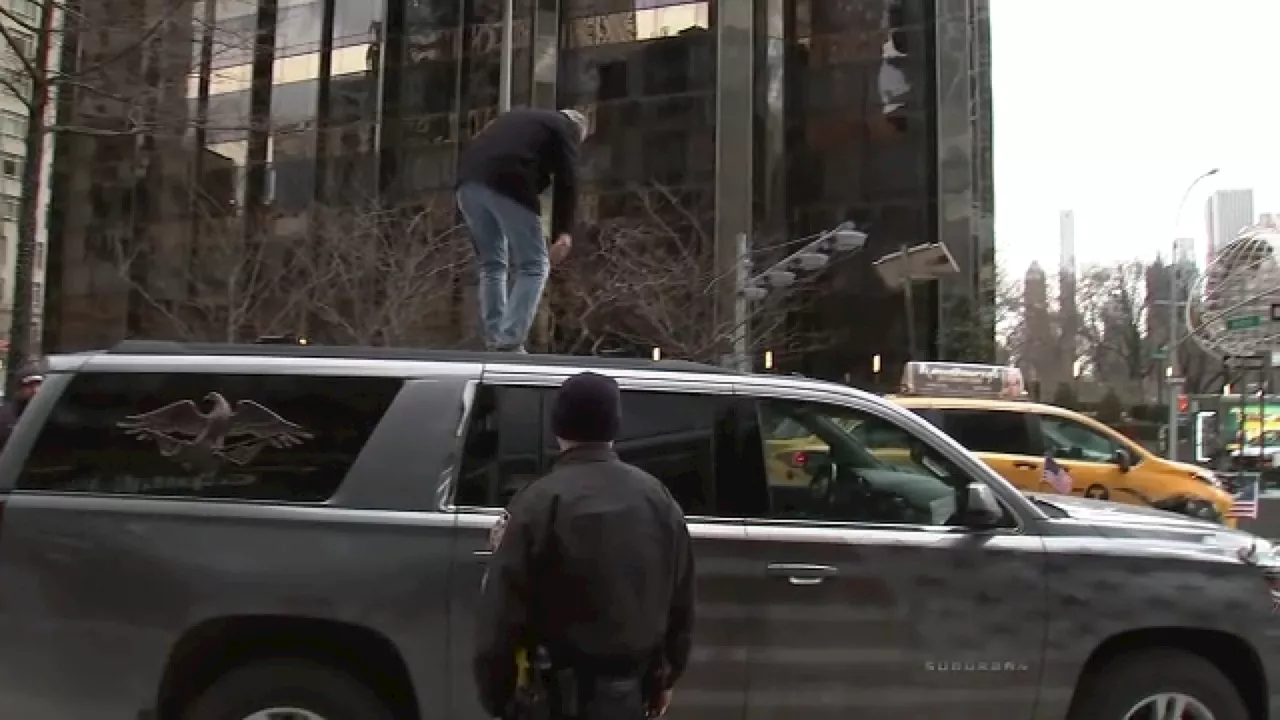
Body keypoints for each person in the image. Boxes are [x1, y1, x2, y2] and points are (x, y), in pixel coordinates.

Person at [474, 372, 695, 720]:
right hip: (629, 696)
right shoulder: (659, 501)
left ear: (558, 426)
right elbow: (680, 603)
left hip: (553, 697)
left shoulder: (537, 504)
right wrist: (665, 679)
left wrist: (498, 696)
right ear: (614, 426)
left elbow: (501, 614)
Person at [456, 108, 589, 353]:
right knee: (534, 265)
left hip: (467, 183)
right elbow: (568, 180)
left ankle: (494, 337)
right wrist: (563, 231)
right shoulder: (566, 129)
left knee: (492, 265)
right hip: (509, 181)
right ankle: (509, 341)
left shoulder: (520, 120)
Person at [0, 364, 43, 446]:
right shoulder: (4, 416)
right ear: (18, 390)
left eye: (39, 385)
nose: (36, 390)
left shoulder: (48, 413)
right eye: (29, 386)